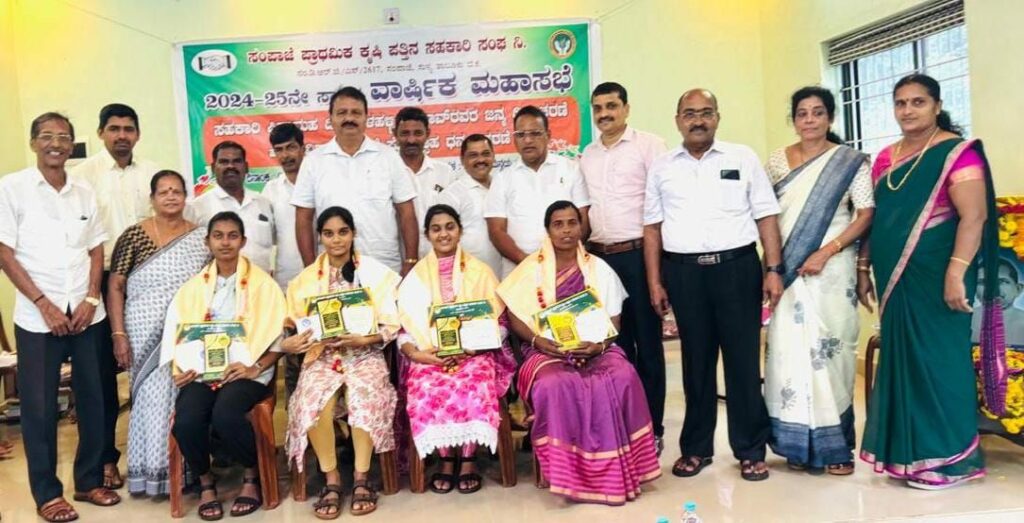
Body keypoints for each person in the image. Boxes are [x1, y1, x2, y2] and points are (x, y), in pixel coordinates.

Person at [857, 74, 1004, 490]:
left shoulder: (958, 153)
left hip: (939, 274)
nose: (908, 110)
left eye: (918, 102)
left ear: (937, 106)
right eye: (900, 103)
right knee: (902, 361)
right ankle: (908, 455)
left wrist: (956, 272)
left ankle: (952, 460)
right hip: (894, 276)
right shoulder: (886, 158)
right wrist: (863, 267)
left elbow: (974, 216)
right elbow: (876, 219)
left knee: (940, 361)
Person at [643, 89, 783, 481]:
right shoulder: (662, 167)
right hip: (684, 274)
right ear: (677, 120)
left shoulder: (742, 157)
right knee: (696, 363)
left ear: (718, 117)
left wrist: (774, 269)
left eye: (706, 112)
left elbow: (766, 215)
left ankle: (750, 449)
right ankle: (696, 448)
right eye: (689, 113)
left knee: (742, 362)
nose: (698, 120)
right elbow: (652, 227)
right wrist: (655, 281)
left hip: (737, 268)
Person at [497, 200, 661, 505]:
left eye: (572, 222)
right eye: (558, 224)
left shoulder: (599, 269)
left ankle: (621, 467)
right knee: (553, 384)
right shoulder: (530, 270)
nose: (566, 230)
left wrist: (599, 346)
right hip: (546, 350)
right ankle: (566, 471)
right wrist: (538, 341)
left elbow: (614, 321)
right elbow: (515, 316)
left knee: (623, 375)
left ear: (581, 227)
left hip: (597, 348)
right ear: (548, 230)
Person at [0, 112, 121, 522]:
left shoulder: (84, 191)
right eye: (48, 136)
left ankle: (88, 481)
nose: (56, 143)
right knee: (38, 408)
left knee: (95, 399)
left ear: (72, 144)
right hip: (38, 319)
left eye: (64, 137)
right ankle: (47, 494)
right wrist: (44, 304)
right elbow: (4, 253)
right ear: (34, 142)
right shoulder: (12, 188)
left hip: (87, 314)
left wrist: (91, 297)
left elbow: (96, 248)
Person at [763, 86, 874, 475]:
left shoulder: (850, 162)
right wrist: (772, 267)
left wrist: (826, 252)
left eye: (817, 112)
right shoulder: (777, 161)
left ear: (830, 117)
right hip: (787, 271)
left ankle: (836, 448)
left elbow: (865, 213)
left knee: (832, 354)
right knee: (788, 354)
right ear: (793, 119)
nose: (809, 120)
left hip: (833, 270)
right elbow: (765, 214)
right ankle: (795, 445)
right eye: (802, 113)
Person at [160, 212, 287, 518]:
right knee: (186, 420)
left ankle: (251, 476)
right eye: (218, 236)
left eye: (232, 236)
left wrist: (255, 367)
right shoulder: (192, 288)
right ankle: (206, 482)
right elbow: (177, 335)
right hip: (202, 374)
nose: (225, 242)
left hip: (246, 373)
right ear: (208, 242)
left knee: (226, 414)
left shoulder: (263, 284)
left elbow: (278, 340)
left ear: (243, 241)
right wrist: (182, 368)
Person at [282, 207, 400, 518]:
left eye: (343, 232)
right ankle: (332, 478)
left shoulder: (375, 273)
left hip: (364, 354)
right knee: (312, 401)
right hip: (322, 356)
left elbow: (391, 324)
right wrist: (295, 341)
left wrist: (364, 340)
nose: (336, 240)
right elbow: (293, 327)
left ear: (353, 234)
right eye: (329, 233)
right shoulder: (304, 281)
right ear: (320, 237)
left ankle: (362, 477)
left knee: (365, 396)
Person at [397, 204, 516, 494]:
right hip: (430, 356)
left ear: (460, 231)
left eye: (450, 227)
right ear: (427, 235)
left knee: (473, 382)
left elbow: (501, 324)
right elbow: (403, 330)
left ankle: (469, 459)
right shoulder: (414, 278)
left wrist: (475, 348)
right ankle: (446, 459)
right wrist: (417, 354)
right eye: (436, 229)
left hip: (475, 355)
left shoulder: (481, 272)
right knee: (426, 384)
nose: (444, 234)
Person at [70, 103, 159, 489]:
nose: (122, 135)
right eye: (114, 128)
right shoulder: (82, 177)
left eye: (128, 129)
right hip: (101, 279)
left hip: (149, 281)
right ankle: (105, 458)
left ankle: (154, 454)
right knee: (100, 377)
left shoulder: (153, 173)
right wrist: (90, 292)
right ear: (101, 133)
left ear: (137, 134)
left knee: (153, 371)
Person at [105, 170, 209, 496]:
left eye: (177, 191)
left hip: (186, 332)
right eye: (163, 192)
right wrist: (118, 334)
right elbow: (115, 285)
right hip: (142, 329)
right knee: (150, 399)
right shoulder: (134, 236)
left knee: (182, 397)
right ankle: (152, 472)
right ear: (152, 199)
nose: (171, 197)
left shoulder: (200, 237)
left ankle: (186, 472)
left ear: (185, 197)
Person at [580, 81, 668, 452]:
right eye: (598, 107)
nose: (604, 114)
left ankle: (653, 430)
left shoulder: (650, 146)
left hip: (639, 255)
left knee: (647, 347)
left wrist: (658, 274)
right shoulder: (587, 154)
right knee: (612, 348)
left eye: (611, 106)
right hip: (599, 259)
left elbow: (663, 206)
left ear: (626, 108)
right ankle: (621, 427)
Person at [292, 86, 419, 275]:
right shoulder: (314, 161)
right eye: (342, 113)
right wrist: (311, 269)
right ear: (331, 118)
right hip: (332, 269)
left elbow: (406, 213)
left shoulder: (388, 157)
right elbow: (303, 218)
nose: (349, 118)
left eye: (356, 113)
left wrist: (411, 260)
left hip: (383, 267)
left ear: (366, 117)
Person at [485, 105, 590, 277]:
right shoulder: (502, 179)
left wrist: (561, 259)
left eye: (535, 133)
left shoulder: (570, 169)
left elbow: (583, 220)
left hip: (565, 268)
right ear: (514, 139)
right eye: (521, 135)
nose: (527, 140)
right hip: (519, 271)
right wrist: (527, 262)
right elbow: (496, 231)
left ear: (548, 135)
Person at [261, 123, 307, 399]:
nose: (286, 155)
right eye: (279, 150)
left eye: (291, 147)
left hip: (324, 282)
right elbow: (267, 239)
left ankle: (337, 420)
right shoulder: (271, 190)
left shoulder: (319, 182)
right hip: (287, 286)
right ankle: (295, 418)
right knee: (293, 357)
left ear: (303, 148)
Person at [185, 141, 276, 273]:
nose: (230, 166)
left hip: (261, 283)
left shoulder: (263, 203)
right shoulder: (197, 208)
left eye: (237, 161)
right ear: (213, 168)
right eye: (224, 162)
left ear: (246, 167)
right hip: (217, 284)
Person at [393, 107, 459, 258]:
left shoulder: (445, 172)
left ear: (428, 134)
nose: (411, 140)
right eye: (405, 133)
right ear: (395, 134)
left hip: (439, 259)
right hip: (399, 261)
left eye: (418, 133)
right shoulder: (386, 173)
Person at [438, 134, 502, 276]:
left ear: (493, 156)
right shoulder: (451, 195)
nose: (481, 160)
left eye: (486, 154)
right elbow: (442, 240)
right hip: (469, 277)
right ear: (462, 160)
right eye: (473, 155)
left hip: (505, 275)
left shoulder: (502, 187)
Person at [973, 258, 1024, 345]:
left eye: (1002, 282)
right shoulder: (964, 321)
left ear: (1018, 289)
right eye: (983, 282)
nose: (993, 289)